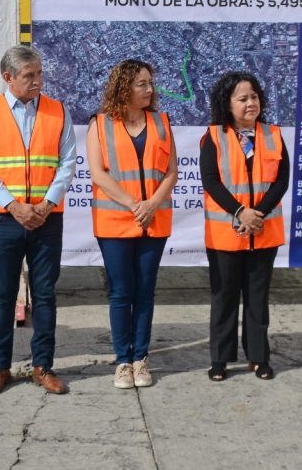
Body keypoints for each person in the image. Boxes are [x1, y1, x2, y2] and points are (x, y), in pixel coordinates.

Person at [0, 45, 77, 396]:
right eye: (29, 75)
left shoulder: (57, 111)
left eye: (39, 74)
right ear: (8, 77)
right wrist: (14, 206)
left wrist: (46, 205)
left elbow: (67, 162)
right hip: (3, 219)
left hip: (46, 219)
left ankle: (43, 366)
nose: (38, 81)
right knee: (3, 297)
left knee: (44, 295)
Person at [87, 60, 177, 389]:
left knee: (145, 291)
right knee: (121, 292)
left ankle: (141, 359)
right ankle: (122, 361)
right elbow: (98, 174)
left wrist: (151, 205)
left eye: (150, 82)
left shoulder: (162, 122)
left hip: (153, 220)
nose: (150, 89)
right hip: (115, 222)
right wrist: (134, 205)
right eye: (142, 83)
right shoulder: (100, 124)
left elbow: (171, 172)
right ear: (124, 87)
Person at [200, 71, 290, 382]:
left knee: (257, 298)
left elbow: (281, 180)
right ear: (227, 104)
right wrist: (240, 212)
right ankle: (220, 359)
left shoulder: (273, 135)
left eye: (254, 96)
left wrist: (257, 214)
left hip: (263, 232)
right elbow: (211, 181)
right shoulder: (214, 137)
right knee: (224, 297)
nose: (251, 103)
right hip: (226, 234)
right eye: (243, 98)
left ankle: (258, 357)